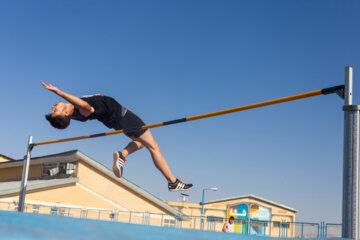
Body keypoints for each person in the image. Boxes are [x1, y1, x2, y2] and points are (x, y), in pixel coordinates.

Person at [40, 80, 192, 192]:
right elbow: (85, 106)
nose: (53, 106)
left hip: (119, 118)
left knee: (142, 143)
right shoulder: (81, 110)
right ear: (65, 113)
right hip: (123, 117)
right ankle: (172, 181)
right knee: (154, 147)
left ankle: (123, 154)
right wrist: (58, 92)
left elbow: (74, 107)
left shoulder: (73, 111)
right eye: (55, 110)